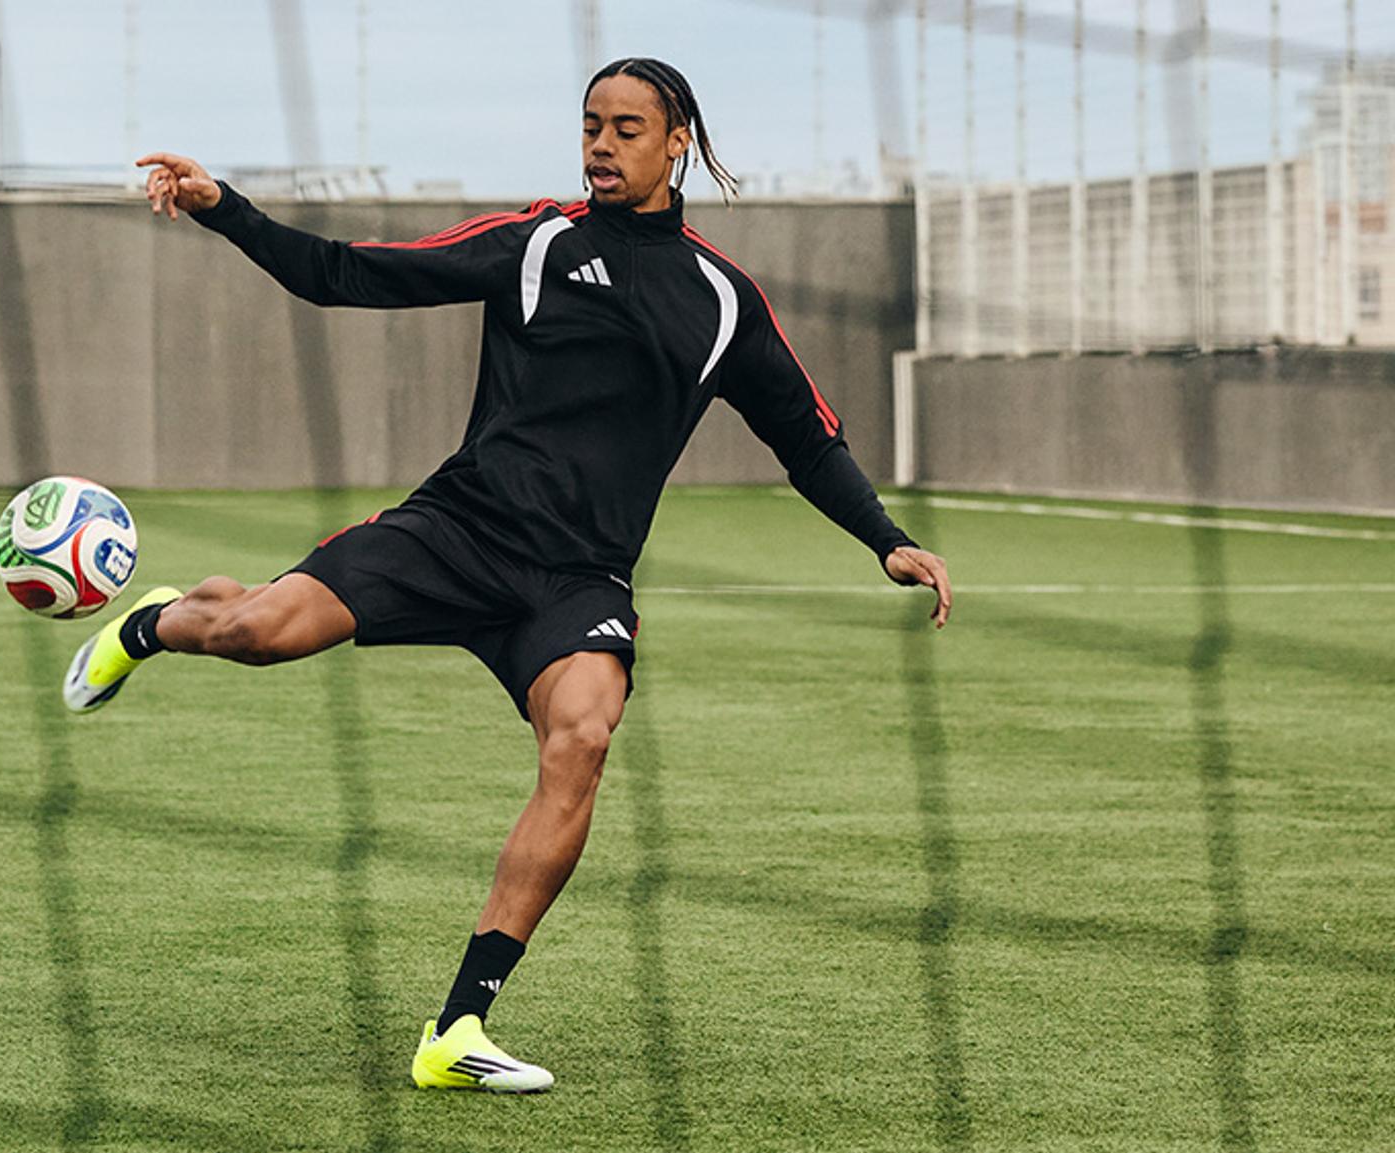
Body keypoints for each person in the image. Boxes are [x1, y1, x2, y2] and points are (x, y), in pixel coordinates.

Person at [65, 57, 951, 1094]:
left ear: (677, 143)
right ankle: (155, 623)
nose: (600, 146)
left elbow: (806, 437)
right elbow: (344, 273)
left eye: (626, 129)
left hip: (578, 580)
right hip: (455, 532)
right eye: (590, 126)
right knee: (255, 633)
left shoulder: (722, 300)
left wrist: (883, 538)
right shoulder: (536, 244)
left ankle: (457, 1027)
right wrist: (224, 206)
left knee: (582, 737)